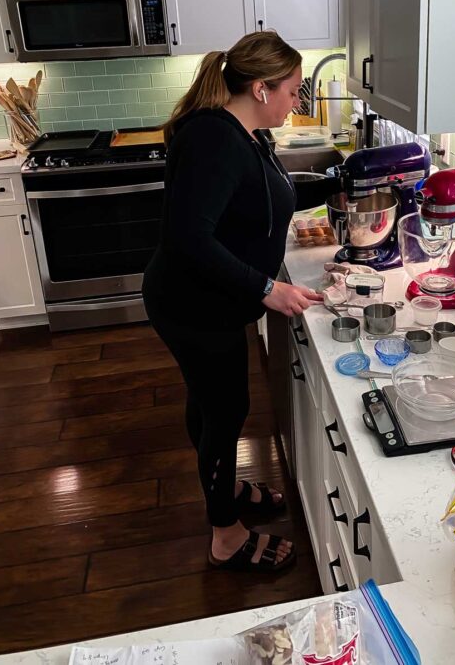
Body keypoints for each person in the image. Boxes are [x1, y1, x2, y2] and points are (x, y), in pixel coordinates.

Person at [142, 30, 329, 574]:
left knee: (211, 405)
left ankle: (223, 486)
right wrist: (268, 288)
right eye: (294, 91)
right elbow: (189, 238)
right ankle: (225, 535)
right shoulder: (215, 140)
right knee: (225, 412)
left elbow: (270, 197)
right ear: (261, 88)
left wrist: (341, 184)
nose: (298, 102)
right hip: (194, 305)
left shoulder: (245, 134)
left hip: (210, 300)